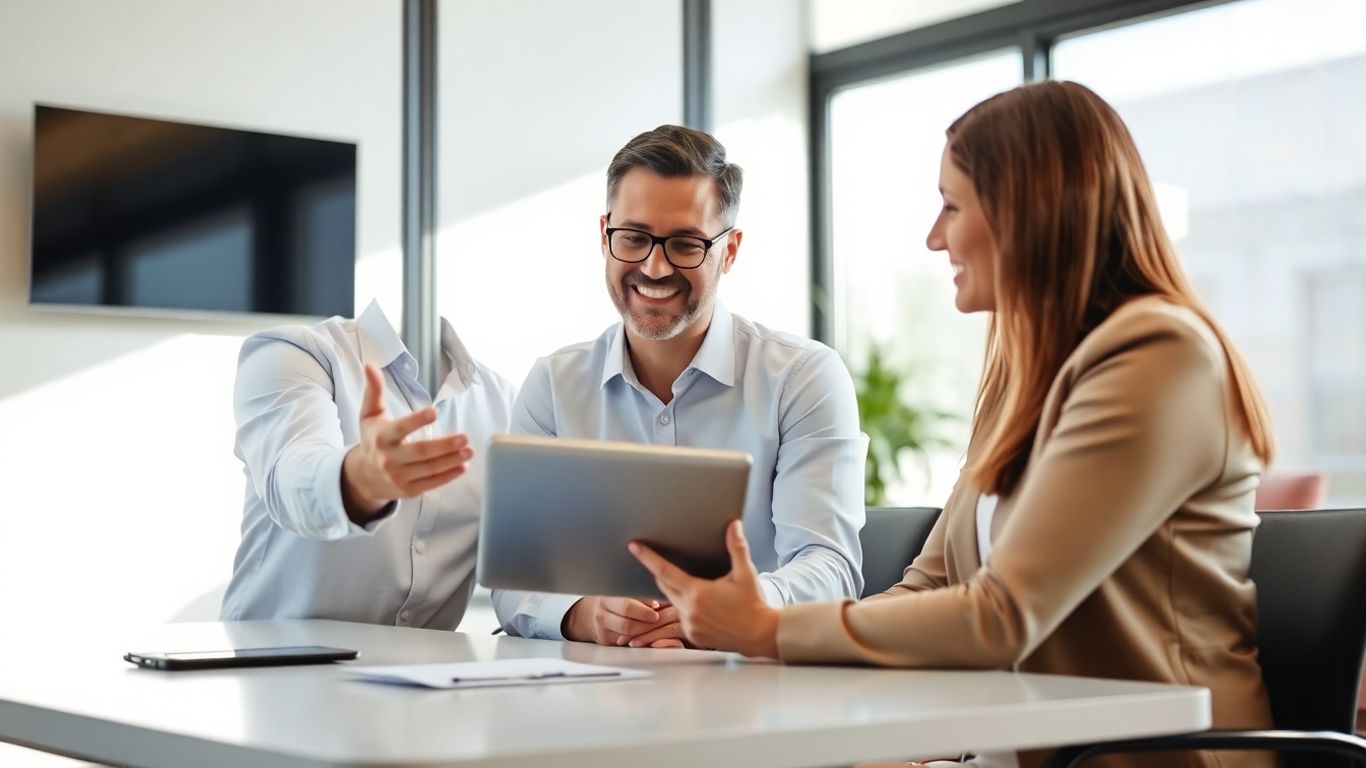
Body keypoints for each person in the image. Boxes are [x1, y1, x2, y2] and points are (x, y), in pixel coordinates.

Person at [631, 81, 1276, 768]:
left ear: (1027, 212)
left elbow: (1002, 615)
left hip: (1152, 758)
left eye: (951, 205)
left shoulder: (1157, 357)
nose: (934, 237)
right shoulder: (1025, 372)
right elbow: (931, 584)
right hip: (1018, 749)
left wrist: (767, 627)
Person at [492, 125, 867, 647]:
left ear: (730, 251)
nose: (654, 265)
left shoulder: (803, 379)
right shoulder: (553, 385)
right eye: (634, 237)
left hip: (752, 688)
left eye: (686, 244)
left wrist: (734, 612)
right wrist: (586, 615)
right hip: (590, 695)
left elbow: (830, 566)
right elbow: (517, 576)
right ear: (604, 236)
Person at [222, 299, 516, 629]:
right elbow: (289, 481)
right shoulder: (296, 353)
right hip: (272, 664)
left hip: (428, 673)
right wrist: (358, 478)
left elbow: (525, 563)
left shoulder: (504, 404)